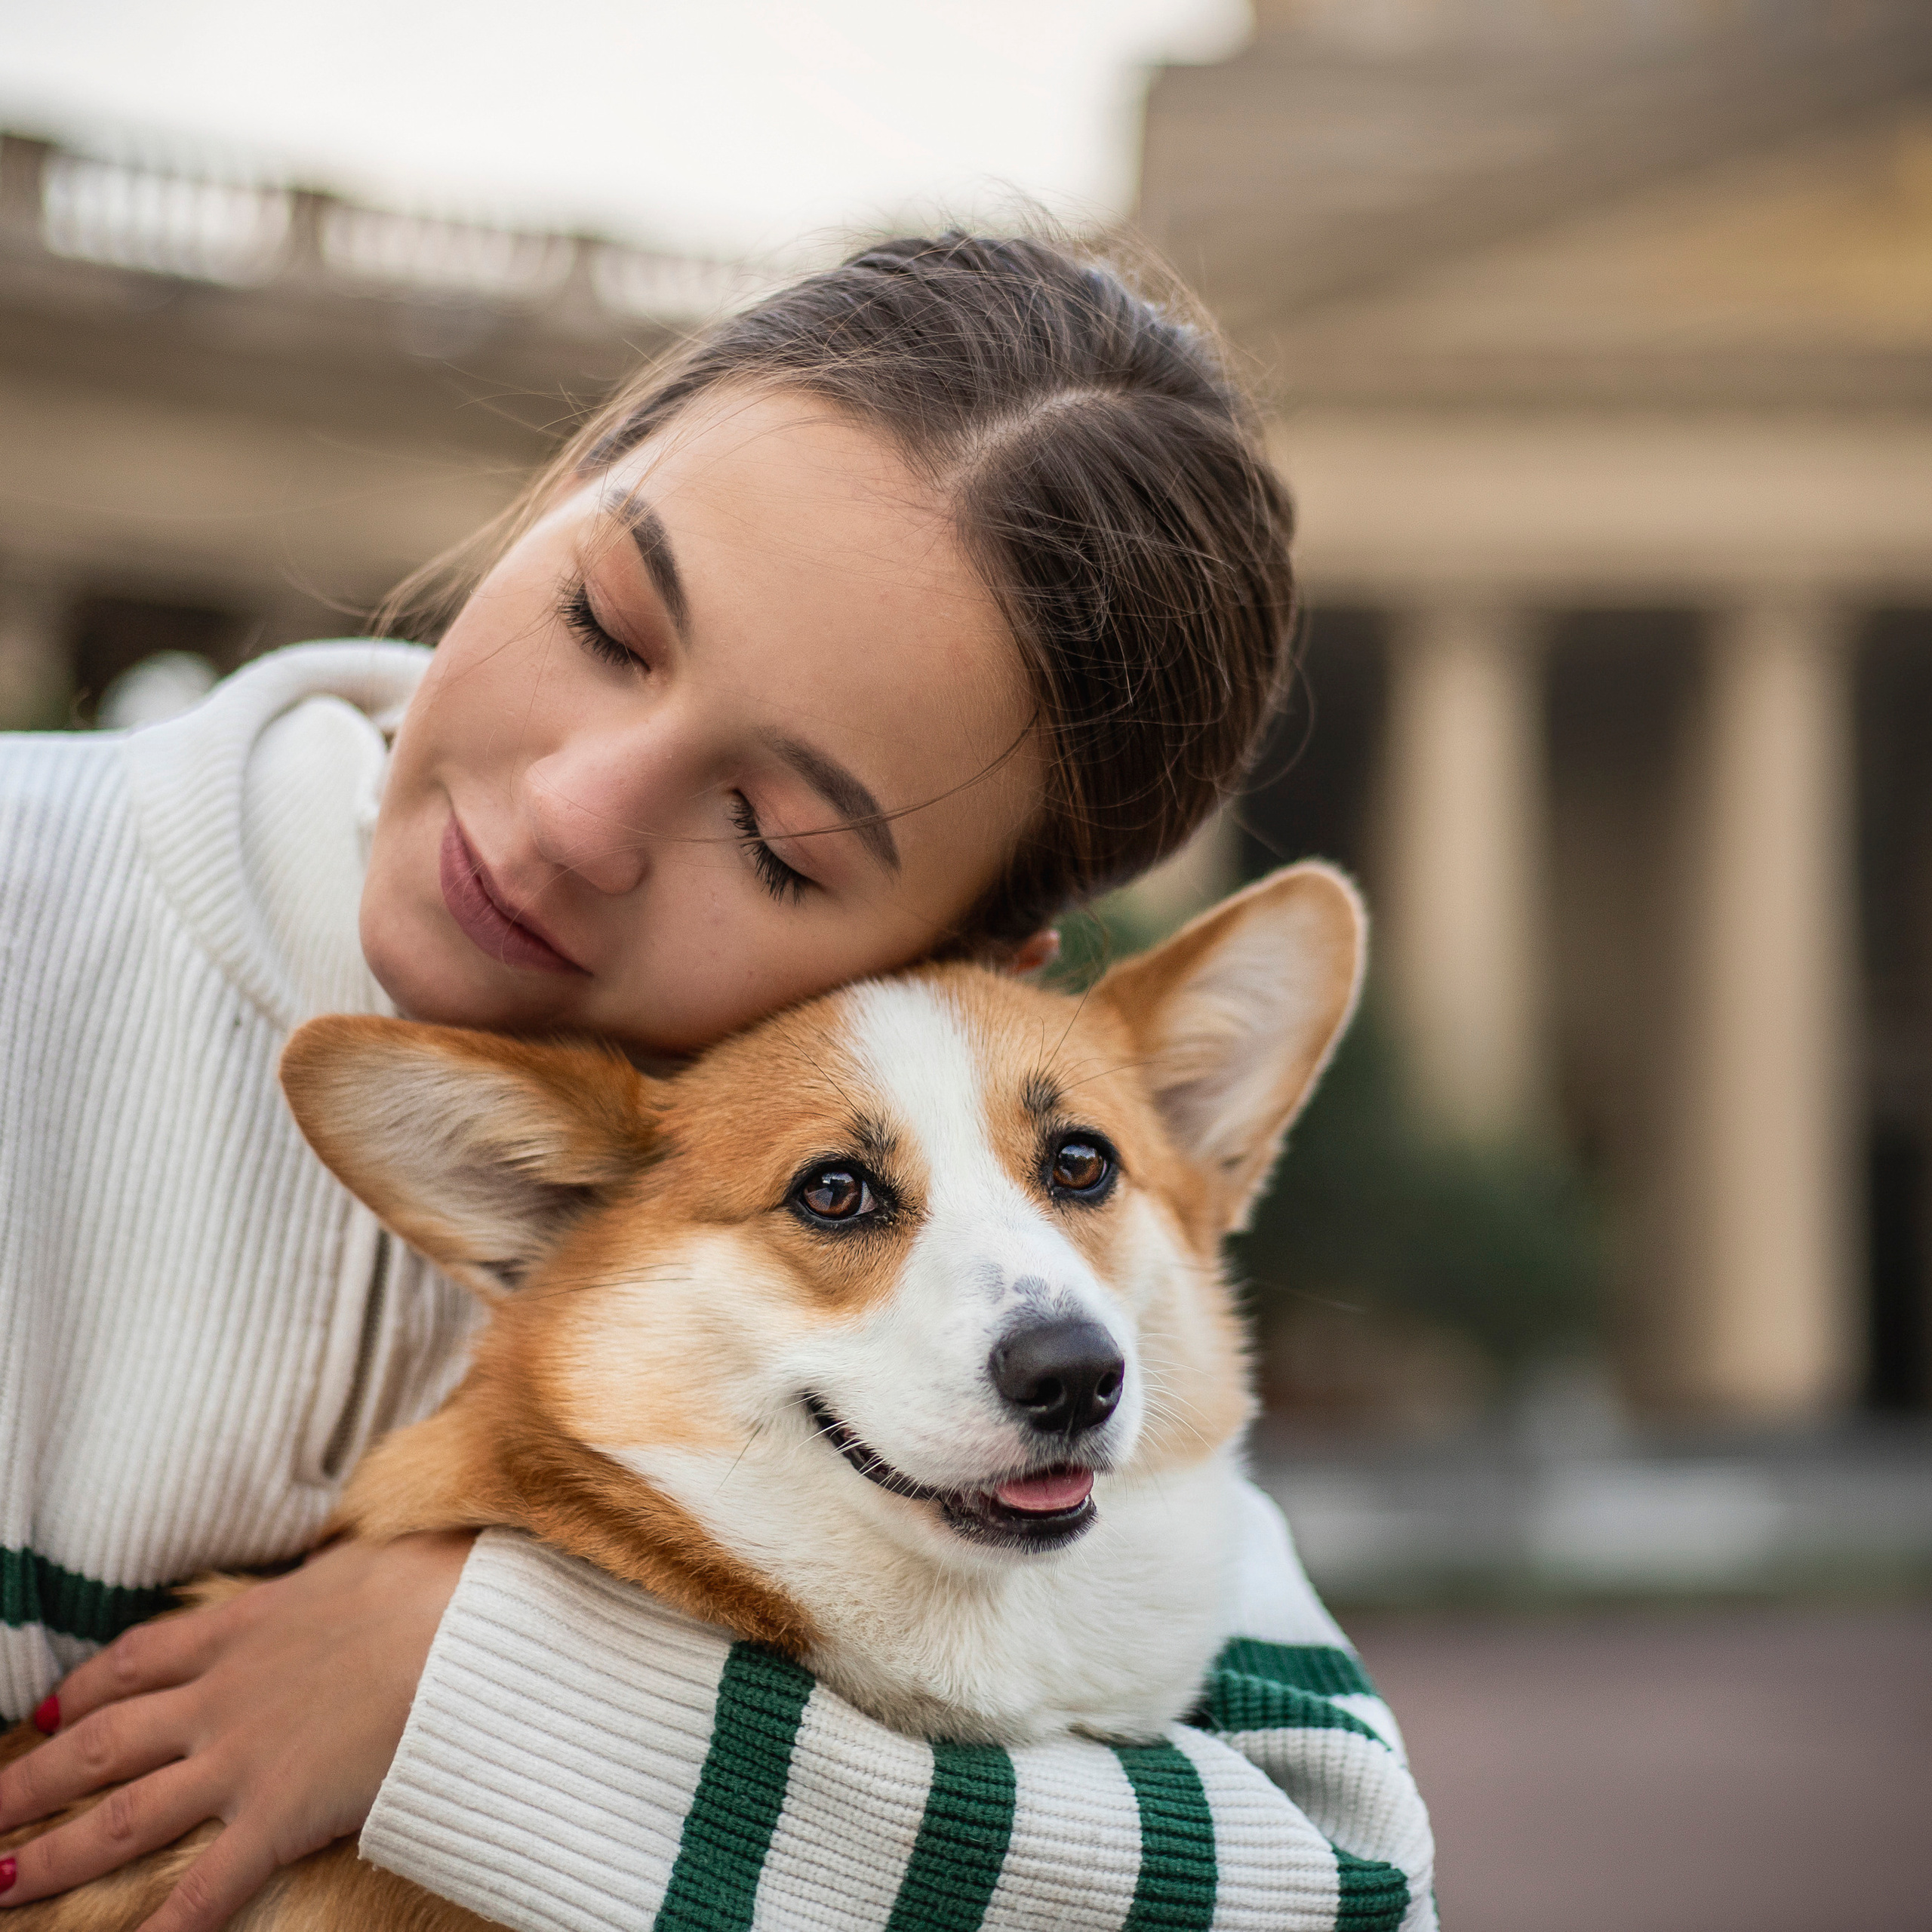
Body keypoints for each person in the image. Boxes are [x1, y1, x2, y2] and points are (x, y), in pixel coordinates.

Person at [0, 233, 1434, 1930]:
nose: (571, 817)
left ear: (958, 968)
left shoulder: (1018, 1329)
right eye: (606, 621)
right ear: (564, 482)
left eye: (777, 840)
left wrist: (460, 1694)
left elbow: (1341, 1887)